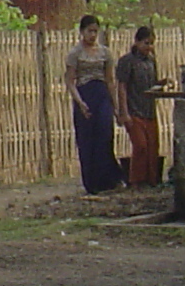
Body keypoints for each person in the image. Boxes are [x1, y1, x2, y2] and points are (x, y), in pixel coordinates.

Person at [65, 14, 125, 196]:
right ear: (82, 32)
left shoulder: (105, 53)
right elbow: (69, 81)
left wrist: (115, 107)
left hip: (102, 96)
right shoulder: (75, 53)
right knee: (87, 139)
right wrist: (80, 102)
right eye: (89, 31)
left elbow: (110, 80)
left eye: (95, 31)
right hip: (84, 94)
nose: (92, 35)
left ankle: (109, 179)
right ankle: (92, 183)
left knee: (105, 136)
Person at [114, 25, 167, 188]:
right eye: (146, 43)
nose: (149, 47)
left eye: (151, 43)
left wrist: (162, 83)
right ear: (136, 42)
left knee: (152, 147)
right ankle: (135, 181)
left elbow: (152, 84)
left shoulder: (151, 61)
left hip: (149, 110)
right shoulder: (126, 62)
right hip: (134, 110)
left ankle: (151, 181)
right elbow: (122, 87)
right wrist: (124, 112)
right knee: (141, 146)